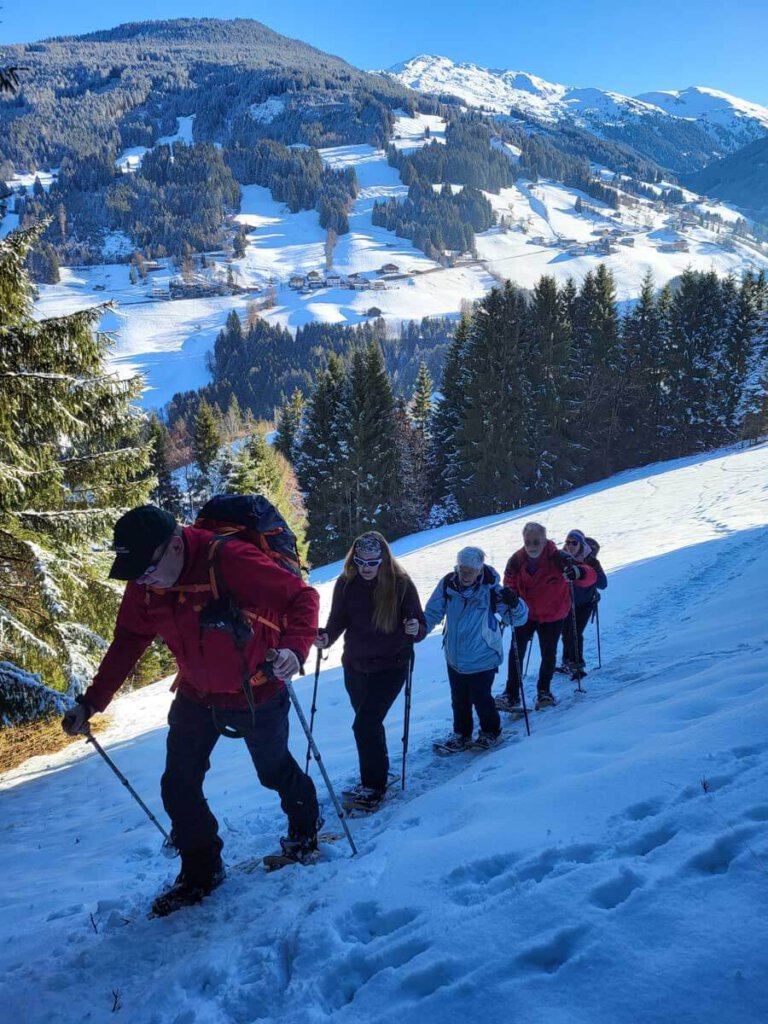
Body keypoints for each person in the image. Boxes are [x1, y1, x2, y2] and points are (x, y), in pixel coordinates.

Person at [62, 504, 320, 914]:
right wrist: (92, 702)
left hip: (258, 689)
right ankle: (202, 870)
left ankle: (305, 828)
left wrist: (294, 648)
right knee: (178, 785)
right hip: (197, 696)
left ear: (175, 546)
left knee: (273, 771)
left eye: (147, 570)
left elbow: (302, 598)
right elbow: (130, 638)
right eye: (136, 574)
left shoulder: (229, 559)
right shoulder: (146, 580)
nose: (142, 582)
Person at [315, 532, 426, 811]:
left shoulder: (400, 584)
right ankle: (378, 774)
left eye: (372, 562)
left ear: (384, 560)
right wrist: (326, 637)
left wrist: (414, 629)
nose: (366, 568)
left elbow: (419, 624)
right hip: (355, 666)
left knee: (364, 724)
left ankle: (373, 786)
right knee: (369, 725)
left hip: (391, 666)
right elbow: (337, 620)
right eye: (360, 562)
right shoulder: (346, 583)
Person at [423, 546, 528, 753]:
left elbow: (516, 619)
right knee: (459, 699)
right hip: (454, 656)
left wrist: (515, 604)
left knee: (481, 698)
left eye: (470, 570)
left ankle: (491, 731)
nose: (465, 574)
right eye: (462, 569)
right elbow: (433, 612)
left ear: (480, 570)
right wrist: (418, 630)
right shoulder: (448, 584)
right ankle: (461, 734)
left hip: (483, 656)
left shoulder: (492, 591)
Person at [497, 522, 596, 712]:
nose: (532, 546)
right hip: (525, 614)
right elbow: (509, 581)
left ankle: (544, 691)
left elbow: (588, 575)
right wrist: (510, 595)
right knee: (516, 652)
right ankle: (511, 694)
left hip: (553, 614)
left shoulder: (559, 557)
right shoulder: (516, 560)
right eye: (528, 542)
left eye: (536, 541)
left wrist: (578, 572)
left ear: (544, 540)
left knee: (548, 654)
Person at [558, 529, 608, 678]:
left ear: (581, 544)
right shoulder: (561, 559)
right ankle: (567, 662)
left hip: (585, 603)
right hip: (566, 602)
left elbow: (603, 584)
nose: (570, 545)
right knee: (566, 633)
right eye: (568, 542)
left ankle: (577, 665)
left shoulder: (591, 561)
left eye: (574, 542)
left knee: (575, 632)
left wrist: (594, 570)